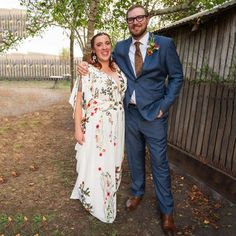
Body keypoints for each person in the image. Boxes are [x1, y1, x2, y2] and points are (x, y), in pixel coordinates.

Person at [78, 4, 183, 234]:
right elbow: (103, 62)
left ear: (147, 19)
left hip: (155, 115)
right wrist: (84, 64)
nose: (135, 22)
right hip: (129, 115)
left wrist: (164, 107)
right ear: (127, 22)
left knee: (160, 163)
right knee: (134, 158)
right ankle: (137, 192)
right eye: (130, 19)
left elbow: (176, 77)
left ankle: (167, 211)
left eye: (139, 18)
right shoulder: (121, 47)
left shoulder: (164, 44)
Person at [69, 32, 127, 223]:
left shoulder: (118, 69)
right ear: (94, 50)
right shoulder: (88, 71)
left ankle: (107, 196)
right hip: (97, 126)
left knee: (114, 162)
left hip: (117, 124)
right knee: (98, 164)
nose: (104, 47)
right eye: (99, 45)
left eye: (107, 43)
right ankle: (94, 202)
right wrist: (78, 129)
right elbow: (79, 102)